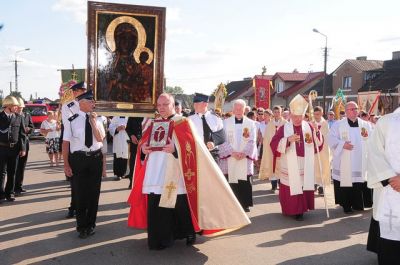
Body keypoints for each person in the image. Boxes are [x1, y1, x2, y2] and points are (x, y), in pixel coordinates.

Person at [127, 93, 250, 250]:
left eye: (165, 104)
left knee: (180, 205)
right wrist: (143, 150)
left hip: (176, 172)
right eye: (159, 105)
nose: (162, 108)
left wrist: (175, 149)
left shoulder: (183, 123)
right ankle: (159, 239)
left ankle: (188, 232)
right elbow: (143, 145)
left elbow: (193, 147)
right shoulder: (153, 123)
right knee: (156, 205)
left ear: (173, 105)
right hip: (154, 173)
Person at [270, 95, 323, 221]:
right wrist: (288, 140)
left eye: (300, 116)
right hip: (289, 162)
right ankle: (293, 209)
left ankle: (302, 209)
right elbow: (273, 143)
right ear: (291, 115)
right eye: (295, 116)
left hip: (305, 162)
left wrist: (316, 132)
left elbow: (318, 144)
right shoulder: (284, 128)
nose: (298, 119)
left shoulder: (309, 127)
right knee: (291, 186)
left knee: (303, 185)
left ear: (304, 115)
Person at [63, 90, 105, 239]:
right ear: (81, 103)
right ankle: (81, 226)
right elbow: (66, 143)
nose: (93, 104)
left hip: (95, 159)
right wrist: (66, 164)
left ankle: (91, 224)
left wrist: (93, 122)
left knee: (94, 193)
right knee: (80, 193)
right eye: (90, 101)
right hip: (78, 160)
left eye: (93, 102)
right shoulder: (71, 120)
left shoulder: (99, 120)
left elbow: (100, 139)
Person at [366, 107, 400, 264]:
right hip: (389, 190)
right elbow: (374, 152)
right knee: (390, 250)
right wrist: (390, 177)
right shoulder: (386, 121)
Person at [328, 101, 372, 214]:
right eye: (351, 109)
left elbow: (372, 140)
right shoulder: (338, 125)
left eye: (355, 109)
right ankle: (346, 205)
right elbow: (331, 139)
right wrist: (343, 145)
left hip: (360, 160)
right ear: (346, 111)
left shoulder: (366, 125)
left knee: (359, 182)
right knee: (346, 182)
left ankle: (359, 205)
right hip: (344, 160)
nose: (354, 111)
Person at [219, 99, 258, 212]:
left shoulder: (251, 123)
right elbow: (222, 140)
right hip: (230, 156)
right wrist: (232, 152)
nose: (238, 111)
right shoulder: (225, 122)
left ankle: (245, 204)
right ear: (233, 109)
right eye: (236, 108)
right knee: (231, 180)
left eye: (240, 108)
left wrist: (244, 153)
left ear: (244, 109)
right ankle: (231, 204)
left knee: (244, 181)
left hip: (244, 157)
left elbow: (252, 140)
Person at [61, 81, 87, 218]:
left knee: (88, 184)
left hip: (89, 149)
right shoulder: (68, 107)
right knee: (75, 182)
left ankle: (85, 207)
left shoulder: (92, 105)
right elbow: (68, 129)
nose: (83, 93)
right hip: (74, 146)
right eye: (81, 91)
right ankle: (74, 206)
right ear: (76, 92)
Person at [0, 95, 26, 202]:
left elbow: (22, 134)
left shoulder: (19, 117)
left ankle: (9, 193)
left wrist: (23, 148)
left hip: (14, 149)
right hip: (1, 148)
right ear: (8, 106)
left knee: (12, 172)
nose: (17, 108)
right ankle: (0, 195)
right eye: (14, 106)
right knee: (1, 172)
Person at [188, 93, 225, 163]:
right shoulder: (189, 119)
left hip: (212, 154)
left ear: (205, 104)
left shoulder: (216, 118)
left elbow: (222, 136)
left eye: (197, 103)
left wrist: (214, 142)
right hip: (196, 153)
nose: (194, 105)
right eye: (194, 103)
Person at [259, 105, 287, 191]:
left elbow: (287, 135)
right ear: (273, 113)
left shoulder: (285, 123)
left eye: (278, 112)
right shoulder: (270, 124)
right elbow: (267, 137)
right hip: (271, 149)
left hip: (282, 149)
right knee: (272, 166)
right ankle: (273, 185)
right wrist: (268, 147)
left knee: (281, 166)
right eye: (275, 112)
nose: (277, 113)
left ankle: (281, 184)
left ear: (281, 112)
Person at [14, 97, 33, 195]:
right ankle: (12, 187)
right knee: (14, 167)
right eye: (18, 107)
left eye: (21, 107)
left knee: (22, 167)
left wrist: (28, 129)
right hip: (15, 144)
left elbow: (32, 126)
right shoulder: (14, 116)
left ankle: (19, 187)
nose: (20, 109)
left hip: (25, 144)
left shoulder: (27, 115)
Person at [313, 106, 331, 195]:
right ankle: (314, 184)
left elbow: (326, 136)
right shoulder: (310, 123)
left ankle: (322, 186)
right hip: (313, 149)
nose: (317, 116)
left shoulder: (325, 124)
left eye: (319, 114)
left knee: (323, 167)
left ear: (322, 113)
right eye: (315, 114)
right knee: (313, 167)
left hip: (323, 149)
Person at [109, 116, 129, 181]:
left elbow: (132, 127)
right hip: (118, 139)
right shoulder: (115, 118)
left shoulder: (128, 117)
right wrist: (117, 129)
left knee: (125, 156)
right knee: (117, 156)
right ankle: (117, 174)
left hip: (126, 139)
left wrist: (126, 128)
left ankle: (123, 173)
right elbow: (111, 128)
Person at [125, 116, 143, 189]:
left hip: (146, 144)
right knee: (133, 163)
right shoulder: (133, 115)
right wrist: (132, 136)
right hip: (134, 143)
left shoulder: (150, 115)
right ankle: (132, 181)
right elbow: (128, 128)